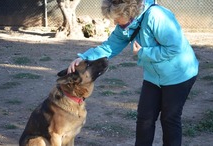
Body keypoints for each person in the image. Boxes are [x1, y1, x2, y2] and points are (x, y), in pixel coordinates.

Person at [67, 0, 199, 145]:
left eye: (116, 18)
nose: (115, 22)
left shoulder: (157, 16)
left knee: (169, 118)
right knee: (145, 118)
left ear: (128, 12)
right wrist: (84, 58)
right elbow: (109, 46)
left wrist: (143, 52)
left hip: (179, 75)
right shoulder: (126, 25)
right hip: (154, 76)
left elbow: (174, 48)